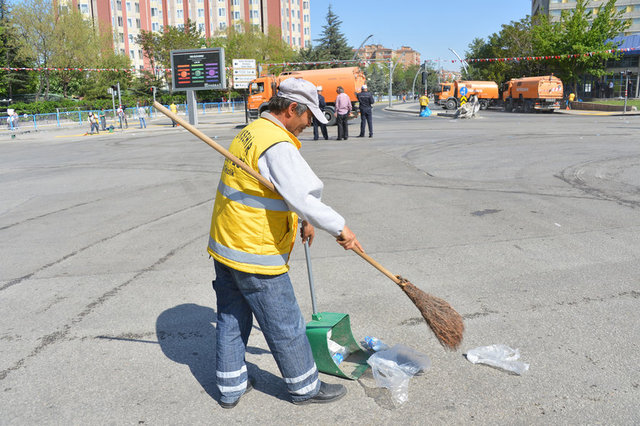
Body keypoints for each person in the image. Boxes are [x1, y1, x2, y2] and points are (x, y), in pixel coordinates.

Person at [208, 77, 363, 408]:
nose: (309, 125)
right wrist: (342, 229)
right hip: (255, 252)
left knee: (231, 317)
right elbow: (303, 196)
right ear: (293, 109)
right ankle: (305, 387)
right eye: (308, 117)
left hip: (226, 245)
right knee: (285, 323)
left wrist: (301, 220)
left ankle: (230, 387)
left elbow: (273, 191)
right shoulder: (277, 144)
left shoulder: (252, 132)